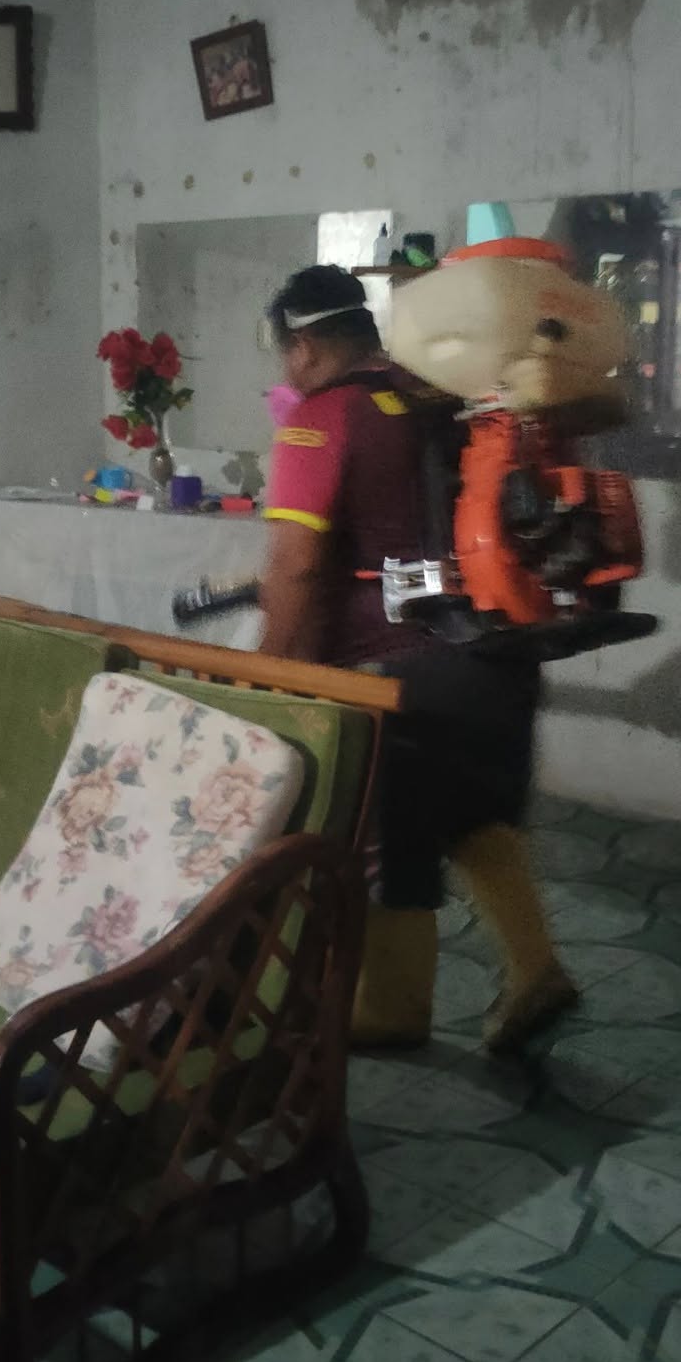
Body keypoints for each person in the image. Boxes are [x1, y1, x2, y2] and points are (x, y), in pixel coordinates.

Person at [257, 262, 580, 1055]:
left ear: (303, 347)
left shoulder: (323, 417)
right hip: (500, 646)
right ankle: (536, 968)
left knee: (388, 837)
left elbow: (297, 567)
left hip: (402, 671)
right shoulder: (444, 400)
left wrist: (269, 677)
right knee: (474, 817)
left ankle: (393, 1009)